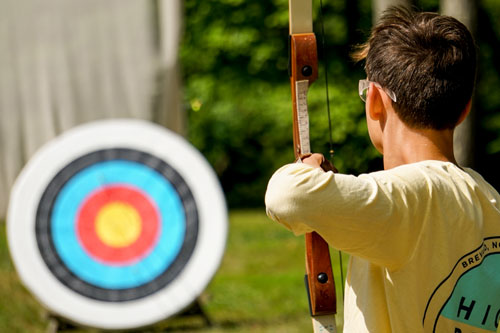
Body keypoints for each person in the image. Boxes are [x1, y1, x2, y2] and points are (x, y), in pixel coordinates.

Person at [265, 6, 500, 333]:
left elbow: (287, 196)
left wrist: (310, 167)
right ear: (464, 109)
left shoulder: (404, 200)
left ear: (374, 99)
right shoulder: (488, 198)